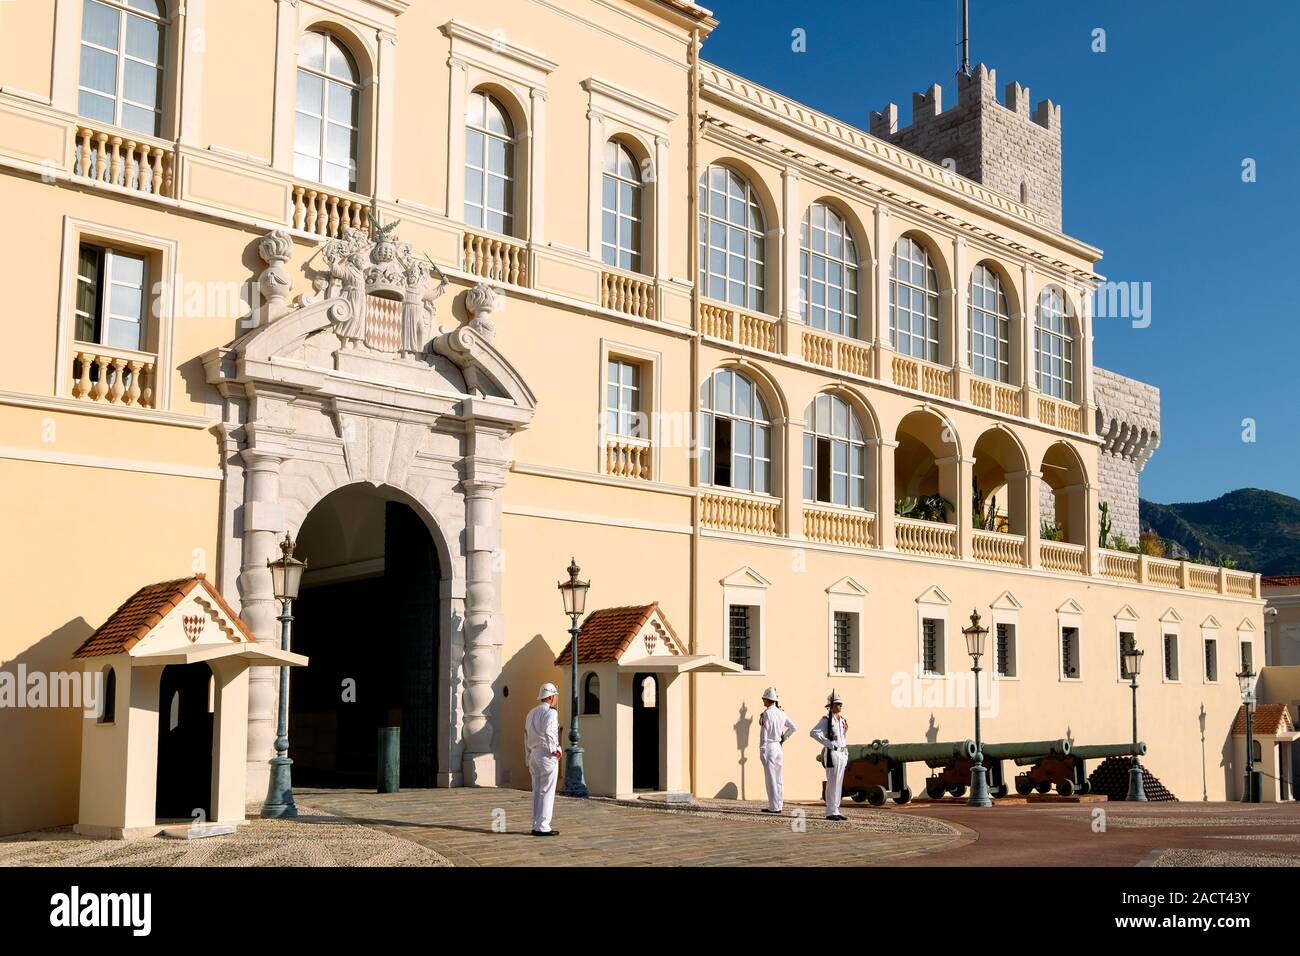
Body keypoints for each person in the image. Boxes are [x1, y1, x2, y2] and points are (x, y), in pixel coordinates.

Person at [525, 682, 562, 836]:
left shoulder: (531, 713)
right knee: (547, 790)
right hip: (546, 754)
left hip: (533, 753)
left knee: (537, 790)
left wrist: (527, 755)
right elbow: (549, 731)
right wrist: (555, 749)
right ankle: (543, 826)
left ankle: (536, 823)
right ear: (552, 697)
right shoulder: (551, 712)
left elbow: (525, 734)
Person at [810, 690, 849, 821]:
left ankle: (836, 810)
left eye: (841, 703)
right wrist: (828, 743)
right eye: (838, 703)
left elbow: (843, 737)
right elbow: (814, 733)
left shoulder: (842, 720)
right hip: (832, 753)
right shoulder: (826, 719)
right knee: (832, 783)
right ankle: (830, 811)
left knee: (839, 784)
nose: (840, 706)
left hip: (842, 753)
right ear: (831, 706)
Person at [757, 687, 796, 813]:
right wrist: (784, 738)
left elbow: (764, 734)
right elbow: (793, 727)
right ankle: (779, 804)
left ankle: (773, 806)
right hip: (778, 746)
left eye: (764, 698)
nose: (763, 700)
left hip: (769, 746)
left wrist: (762, 751)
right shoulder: (781, 713)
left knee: (771, 778)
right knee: (779, 778)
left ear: (768, 699)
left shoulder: (766, 714)